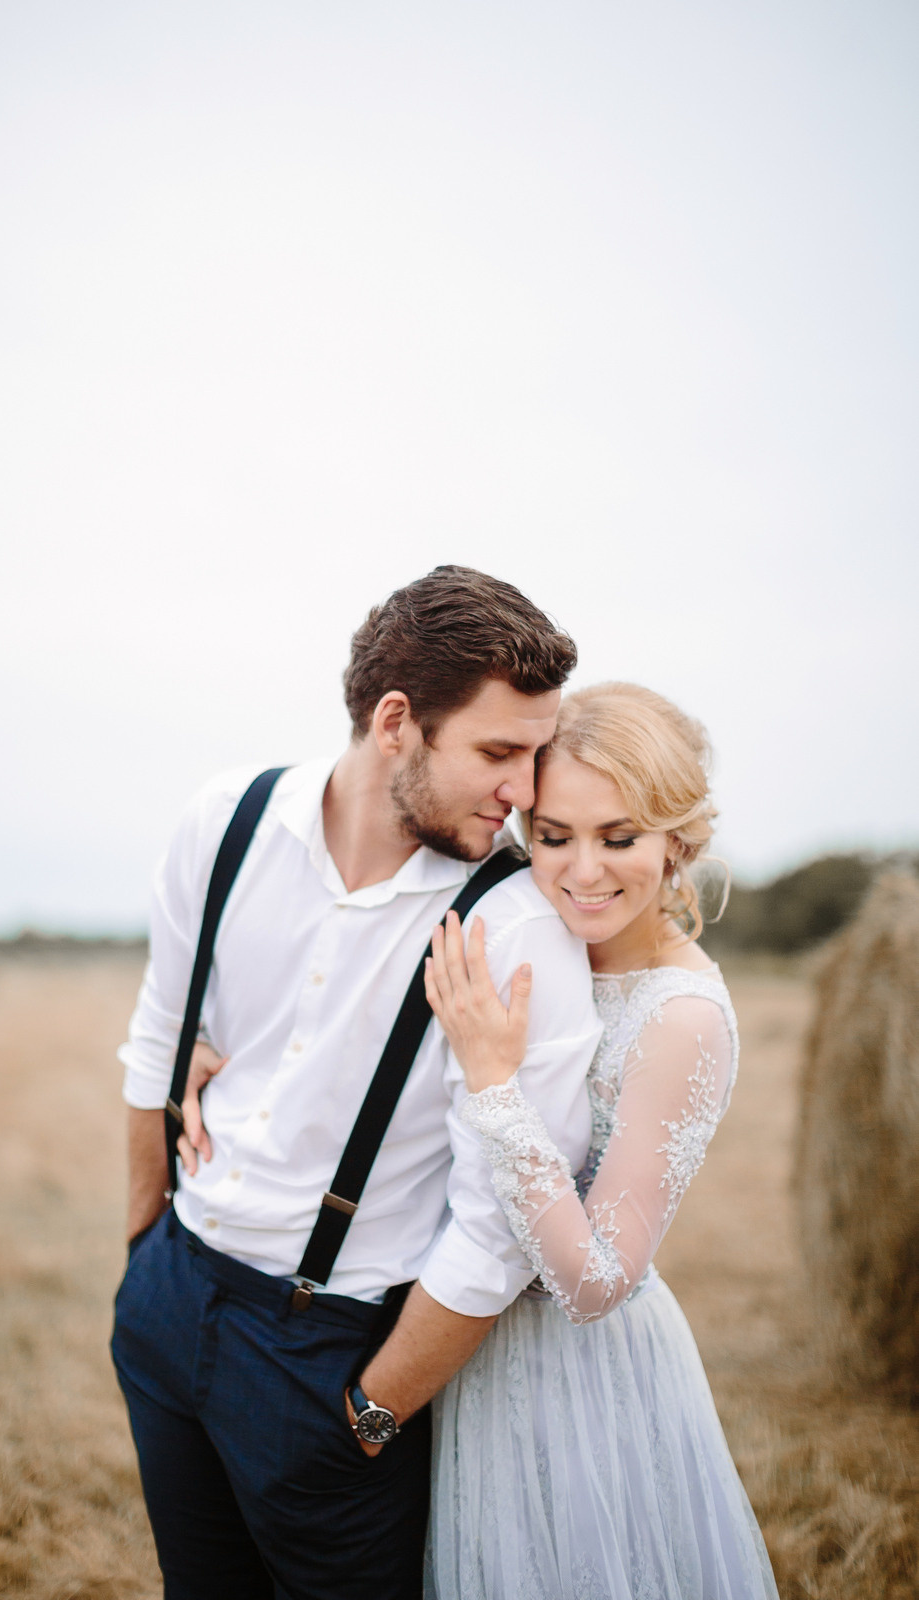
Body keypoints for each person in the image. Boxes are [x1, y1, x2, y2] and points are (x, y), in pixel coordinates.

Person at [110, 565, 604, 1600]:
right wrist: (139, 1259)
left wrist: (371, 1413)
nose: (525, 790)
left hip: (328, 1355)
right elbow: (160, 1034)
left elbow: (504, 1221)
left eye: (535, 754)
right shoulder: (225, 819)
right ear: (395, 722)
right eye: (496, 752)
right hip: (168, 1304)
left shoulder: (513, 926)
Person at [424, 682, 780, 1600]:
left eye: (618, 838)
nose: (582, 871)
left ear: (680, 843)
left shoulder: (681, 1018)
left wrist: (494, 1086)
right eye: (552, 837)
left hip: (579, 1379)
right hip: (465, 1341)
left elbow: (592, 1283)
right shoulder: (526, 941)